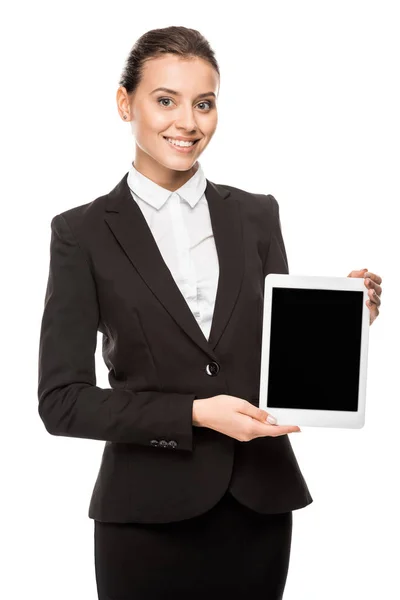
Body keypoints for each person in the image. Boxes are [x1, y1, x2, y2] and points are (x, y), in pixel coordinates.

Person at [37, 25, 383, 600]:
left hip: (258, 505)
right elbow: (62, 402)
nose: (188, 123)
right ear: (126, 103)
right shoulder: (82, 233)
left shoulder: (255, 215)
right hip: (144, 517)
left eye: (204, 103)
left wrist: (338, 326)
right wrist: (195, 414)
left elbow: (269, 357)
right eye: (165, 100)